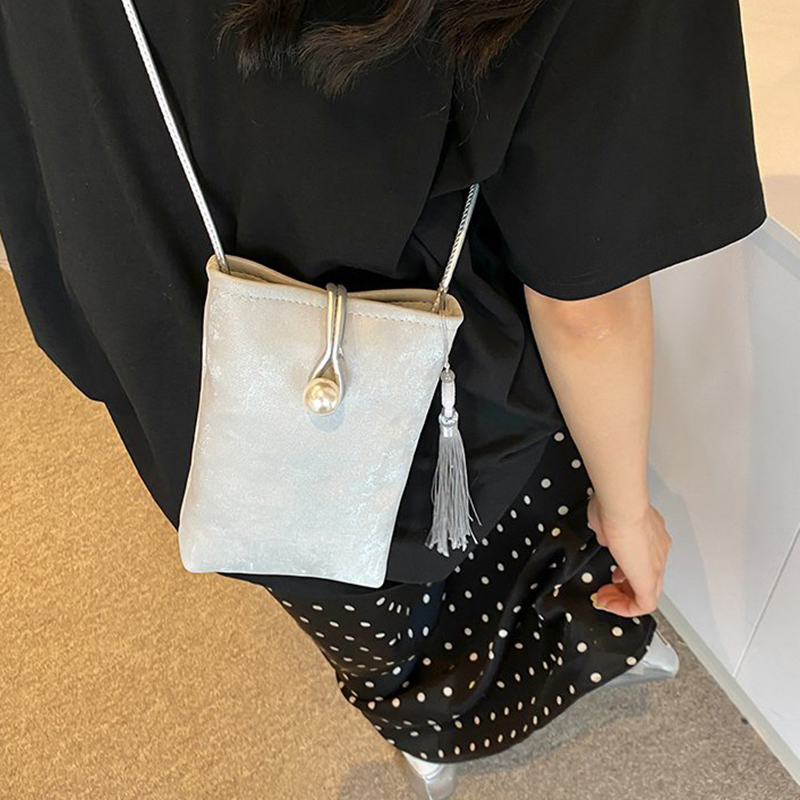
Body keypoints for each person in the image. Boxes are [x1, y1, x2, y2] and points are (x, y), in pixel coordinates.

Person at [0, 0, 765, 797]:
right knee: (449, 535)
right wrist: (627, 508)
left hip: (137, 280)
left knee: (322, 575)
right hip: (420, 363)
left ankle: (419, 713)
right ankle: (445, 713)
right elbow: (586, 304)